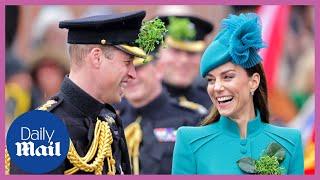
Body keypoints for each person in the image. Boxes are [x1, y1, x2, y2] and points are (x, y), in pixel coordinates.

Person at [9, 10, 149, 175]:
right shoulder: (40, 129)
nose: (133, 74)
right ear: (96, 57)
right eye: (127, 62)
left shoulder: (107, 120)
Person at [172, 13, 304, 175]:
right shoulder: (190, 141)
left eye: (227, 77)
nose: (217, 87)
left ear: (253, 82)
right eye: (211, 80)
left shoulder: (290, 141)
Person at [118, 55, 203, 174]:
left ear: (158, 69)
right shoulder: (112, 122)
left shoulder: (191, 120)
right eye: (124, 68)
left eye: (138, 68)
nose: (131, 76)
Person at [156, 15, 214, 114]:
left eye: (191, 53)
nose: (184, 60)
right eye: (176, 51)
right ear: (157, 54)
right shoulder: (138, 101)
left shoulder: (214, 105)